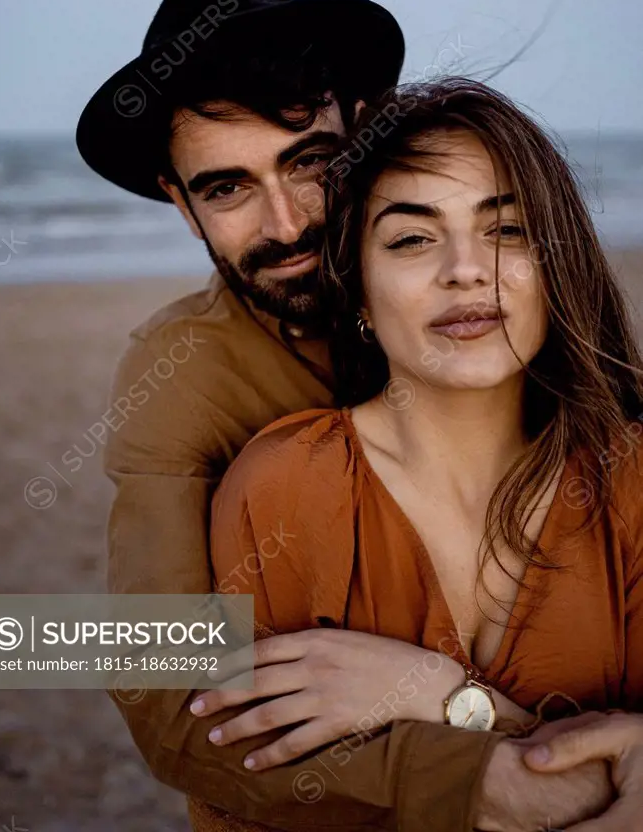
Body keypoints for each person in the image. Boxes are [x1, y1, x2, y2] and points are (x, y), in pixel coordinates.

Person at [77, 0, 619, 832]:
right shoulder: (182, 375)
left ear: (367, 129)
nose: (288, 223)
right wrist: (477, 767)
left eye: (311, 164)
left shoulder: (516, 308)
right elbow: (153, 679)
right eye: (226, 189)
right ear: (183, 208)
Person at [208, 78, 643, 831]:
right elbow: (254, 778)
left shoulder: (629, 479)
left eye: (507, 231)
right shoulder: (283, 488)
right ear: (360, 295)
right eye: (412, 238)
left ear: (555, 264)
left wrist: (443, 699)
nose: (466, 270)